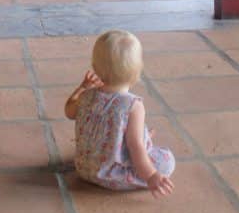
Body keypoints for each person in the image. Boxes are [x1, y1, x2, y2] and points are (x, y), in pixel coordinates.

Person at [64, 29, 175, 197]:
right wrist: (151, 175)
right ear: (137, 72)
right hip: (110, 176)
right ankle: (145, 142)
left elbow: (69, 111)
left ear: (95, 67)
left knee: (132, 134)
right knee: (166, 160)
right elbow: (135, 147)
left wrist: (82, 88)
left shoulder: (86, 96)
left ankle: (142, 137)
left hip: (84, 169)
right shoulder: (132, 105)